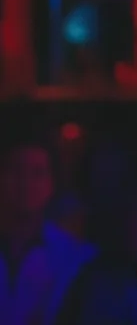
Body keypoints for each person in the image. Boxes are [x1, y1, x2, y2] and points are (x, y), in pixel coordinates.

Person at [0, 122, 97, 325]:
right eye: (16, 170)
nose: (26, 183)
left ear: (52, 182)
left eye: (37, 173)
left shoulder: (76, 256)